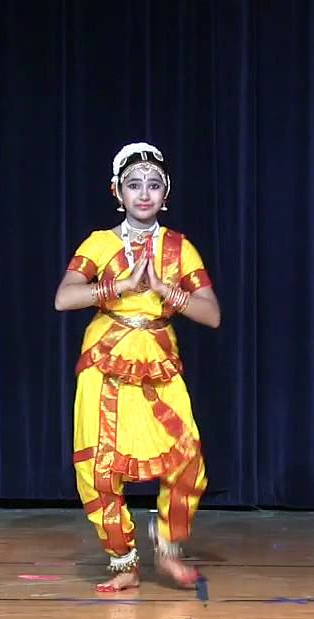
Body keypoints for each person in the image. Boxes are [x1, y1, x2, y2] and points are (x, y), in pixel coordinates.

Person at [53, 142, 221, 592]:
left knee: (187, 458)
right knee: (99, 467)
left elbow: (211, 314)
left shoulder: (180, 247)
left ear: (165, 194)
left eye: (152, 185)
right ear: (117, 191)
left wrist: (168, 292)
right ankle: (122, 560)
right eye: (133, 185)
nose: (143, 193)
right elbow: (64, 297)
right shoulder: (99, 244)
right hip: (105, 358)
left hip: (159, 357)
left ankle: (167, 544)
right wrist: (121, 285)